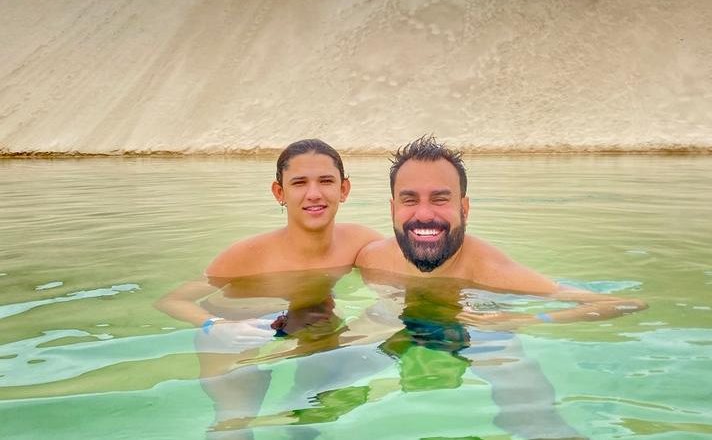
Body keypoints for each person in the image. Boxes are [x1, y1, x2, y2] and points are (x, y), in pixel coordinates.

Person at [353, 134, 648, 438]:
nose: (424, 214)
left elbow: (625, 303)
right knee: (331, 370)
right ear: (392, 208)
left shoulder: (493, 271)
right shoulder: (371, 258)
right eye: (410, 199)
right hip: (394, 315)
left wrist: (530, 319)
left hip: (479, 329)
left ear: (464, 209)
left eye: (440, 199)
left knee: (530, 415)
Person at [155, 139, 384, 439]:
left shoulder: (360, 240)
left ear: (344, 189)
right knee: (234, 421)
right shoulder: (247, 254)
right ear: (280, 193)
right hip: (235, 333)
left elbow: (401, 278)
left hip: (309, 320)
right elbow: (171, 301)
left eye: (326, 181)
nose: (314, 194)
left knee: (315, 407)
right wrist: (216, 325)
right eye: (299, 183)